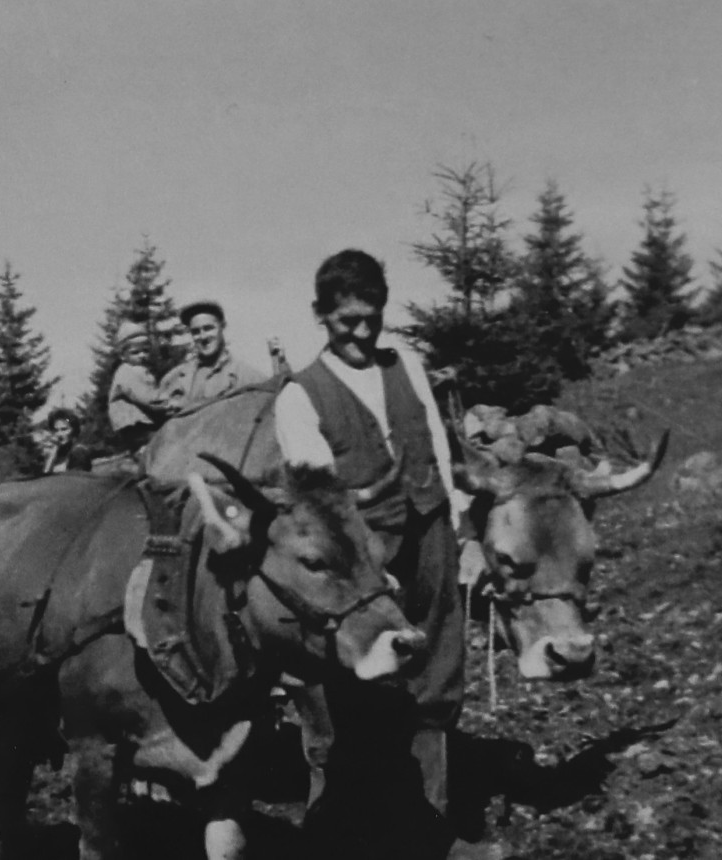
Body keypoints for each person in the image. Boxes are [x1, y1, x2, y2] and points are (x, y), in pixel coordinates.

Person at [272, 249, 481, 856]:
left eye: (372, 318)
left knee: (437, 674)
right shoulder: (300, 397)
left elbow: (436, 448)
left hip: (431, 533)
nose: (363, 333)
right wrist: (365, 570)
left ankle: (430, 831)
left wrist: (460, 531)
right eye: (347, 322)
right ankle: (357, 829)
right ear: (322, 316)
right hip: (364, 562)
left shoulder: (406, 365)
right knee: (363, 687)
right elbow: (320, 507)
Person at [160, 300, 267, 412]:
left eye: (208, 328)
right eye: (196, 332)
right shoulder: (173, 378)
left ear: (223, 327)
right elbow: (159, 413)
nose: (203, 337)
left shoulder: (247, 376)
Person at [106, 320, 173, 454]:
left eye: (145, 351)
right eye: (135, 352)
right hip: (134, 425)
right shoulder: (128, 372)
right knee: (166, 442)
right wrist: (169, 403)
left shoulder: (141, 370)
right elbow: (148, 398)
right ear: (122, 355)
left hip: (144, 422)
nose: (142, 355)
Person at [41, 408, 93, 475]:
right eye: (56, 430)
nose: (59, 434)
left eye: (64, 429)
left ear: (73, 430)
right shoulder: (56, 453)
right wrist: (51, 457)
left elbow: (76, 479)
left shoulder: (78, 451)